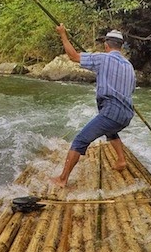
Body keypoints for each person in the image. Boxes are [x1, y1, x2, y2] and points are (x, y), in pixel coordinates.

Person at [51, 24, 136, 188]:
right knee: (111, 131)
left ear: (106, 45)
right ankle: (121, 160)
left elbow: (73, 56)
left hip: (111, 112)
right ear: (121, 47)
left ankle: (62, 179)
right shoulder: (129, 66)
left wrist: (63, 34)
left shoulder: (102, 59)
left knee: (79, 141)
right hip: (126, 115)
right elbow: (130, 90)